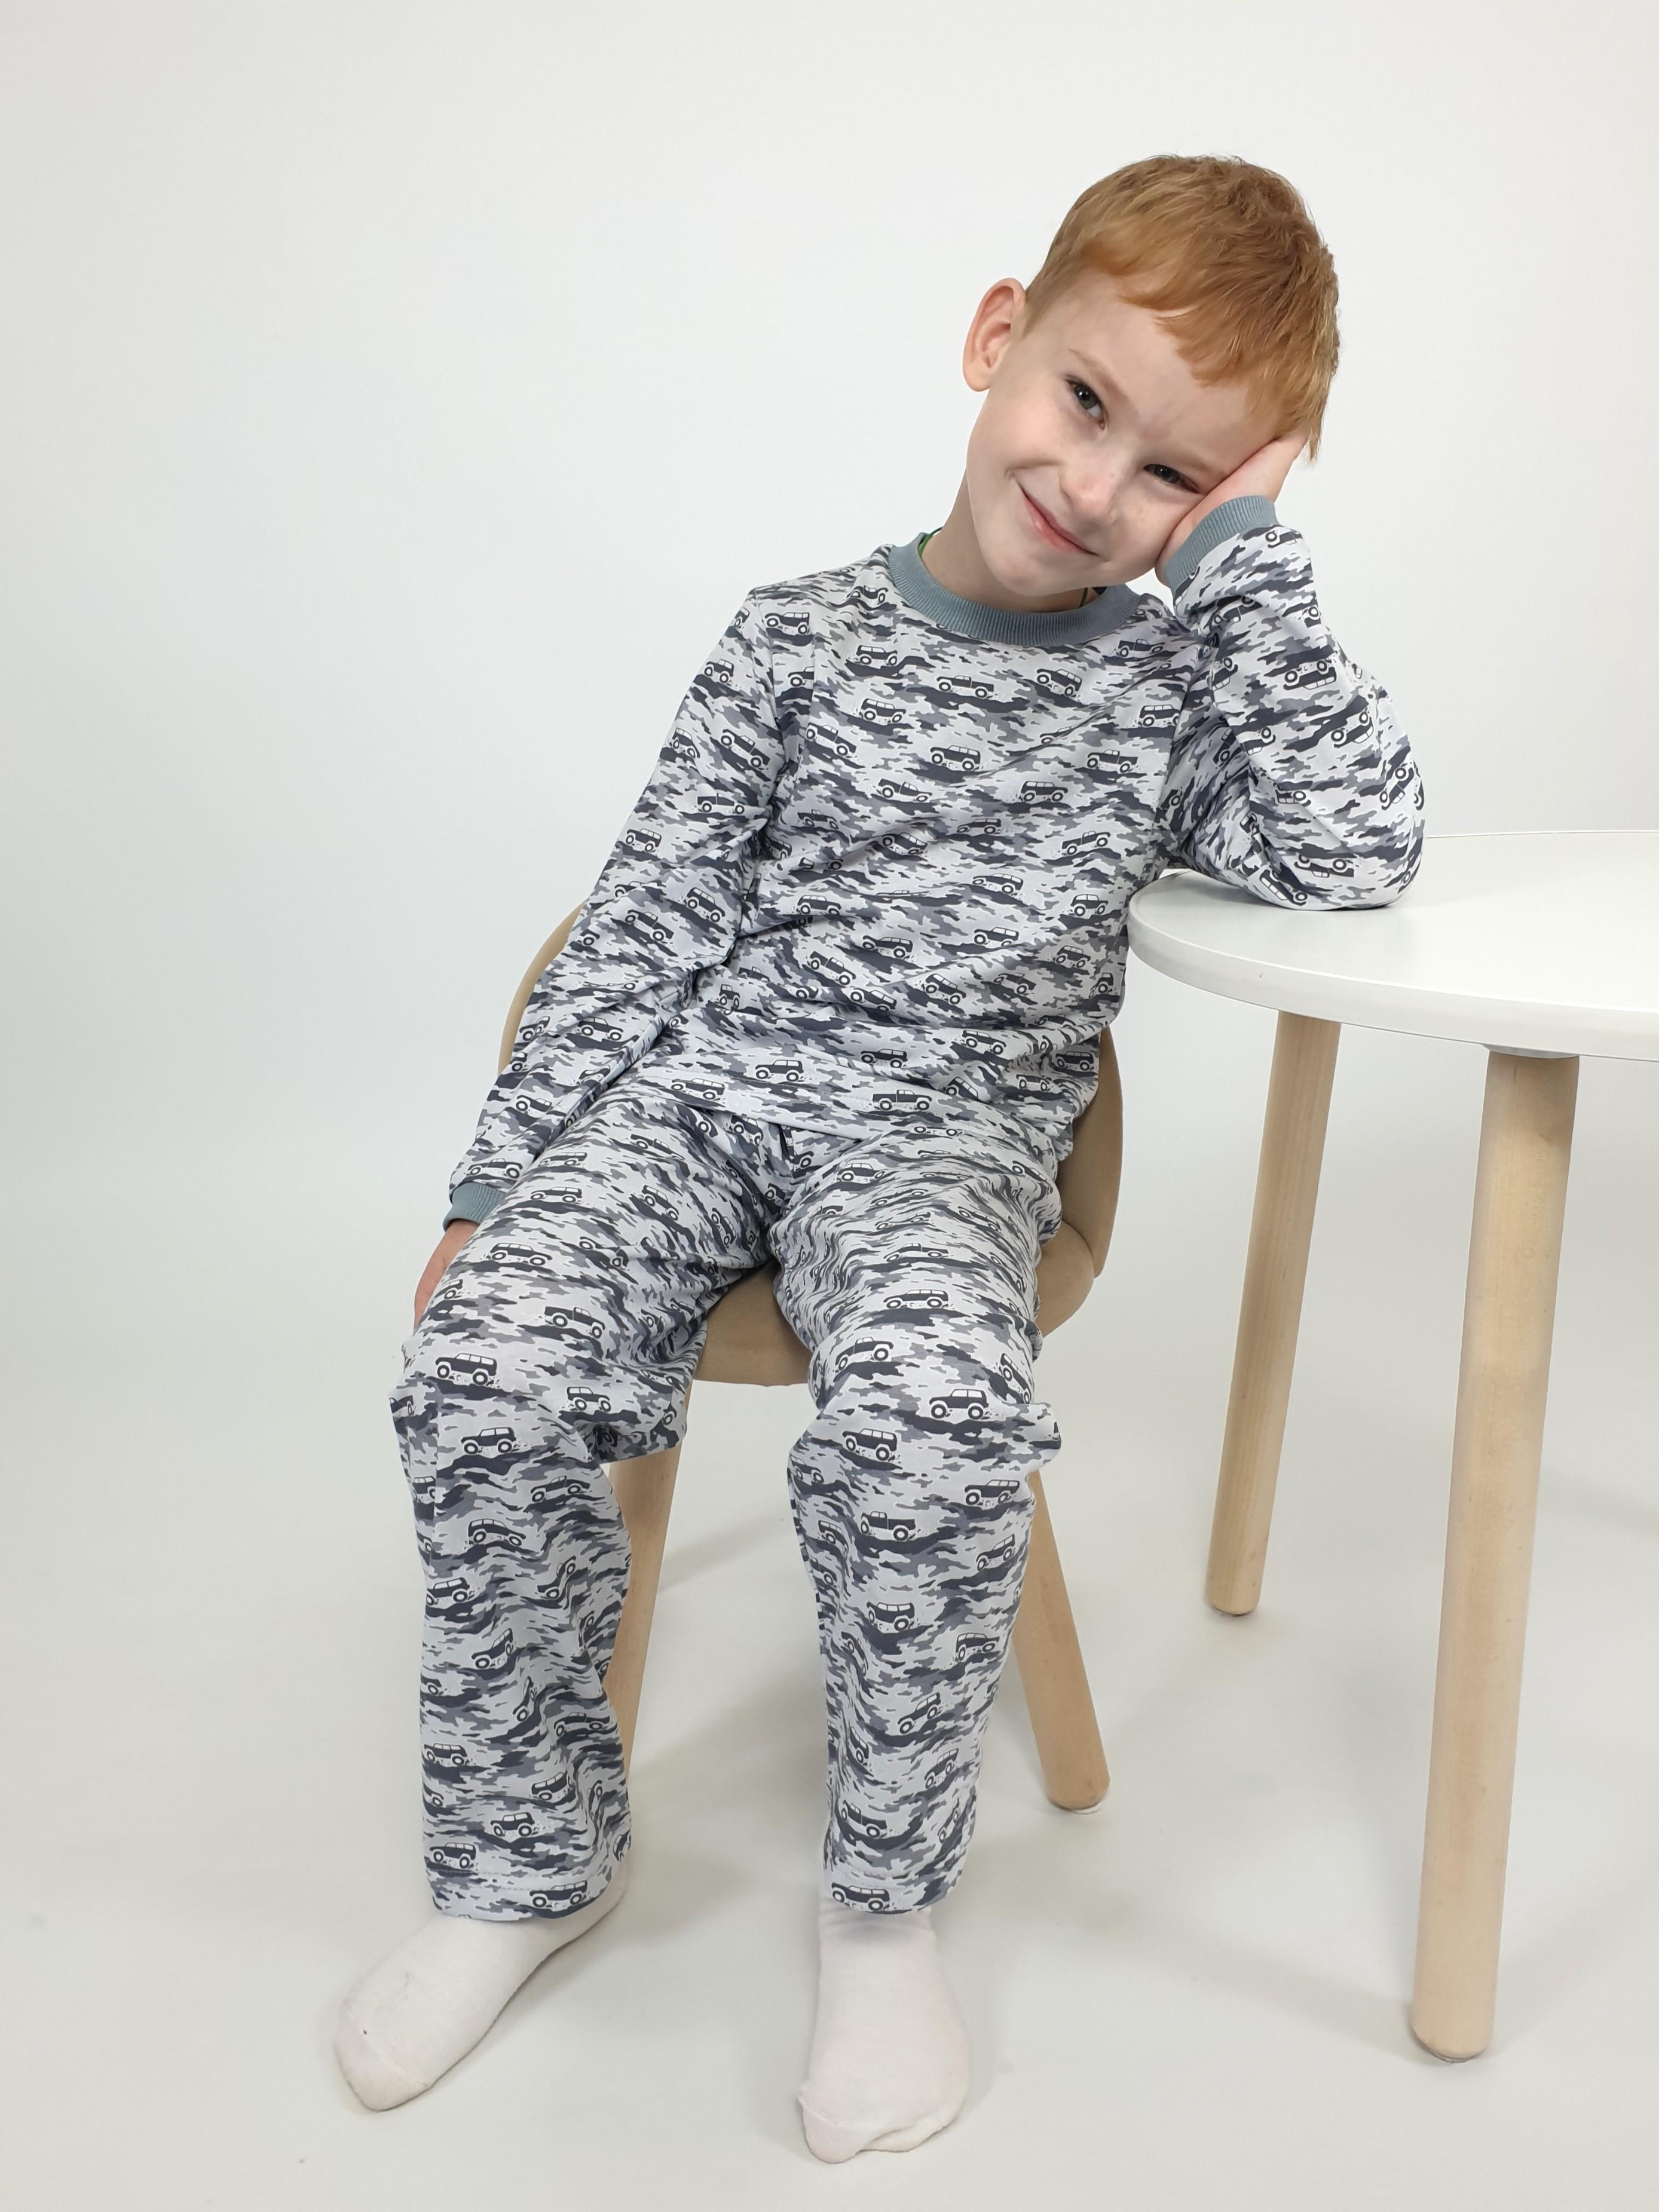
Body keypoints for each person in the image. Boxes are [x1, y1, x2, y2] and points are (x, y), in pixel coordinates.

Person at [333, 152, 1425, 2157]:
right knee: (485, 1367)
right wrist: (499, 1187)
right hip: (701, 1100)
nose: (1093, 487)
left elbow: (1359, 850)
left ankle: (884, 1911)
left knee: (934, 1426)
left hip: (948, 1148)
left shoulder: (1169, 689)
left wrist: (1247, 575)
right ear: (998, 335)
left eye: (1173, 477)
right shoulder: (794, 638)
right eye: (1084, 402)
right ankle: (523, 1863)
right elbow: (645, 919)